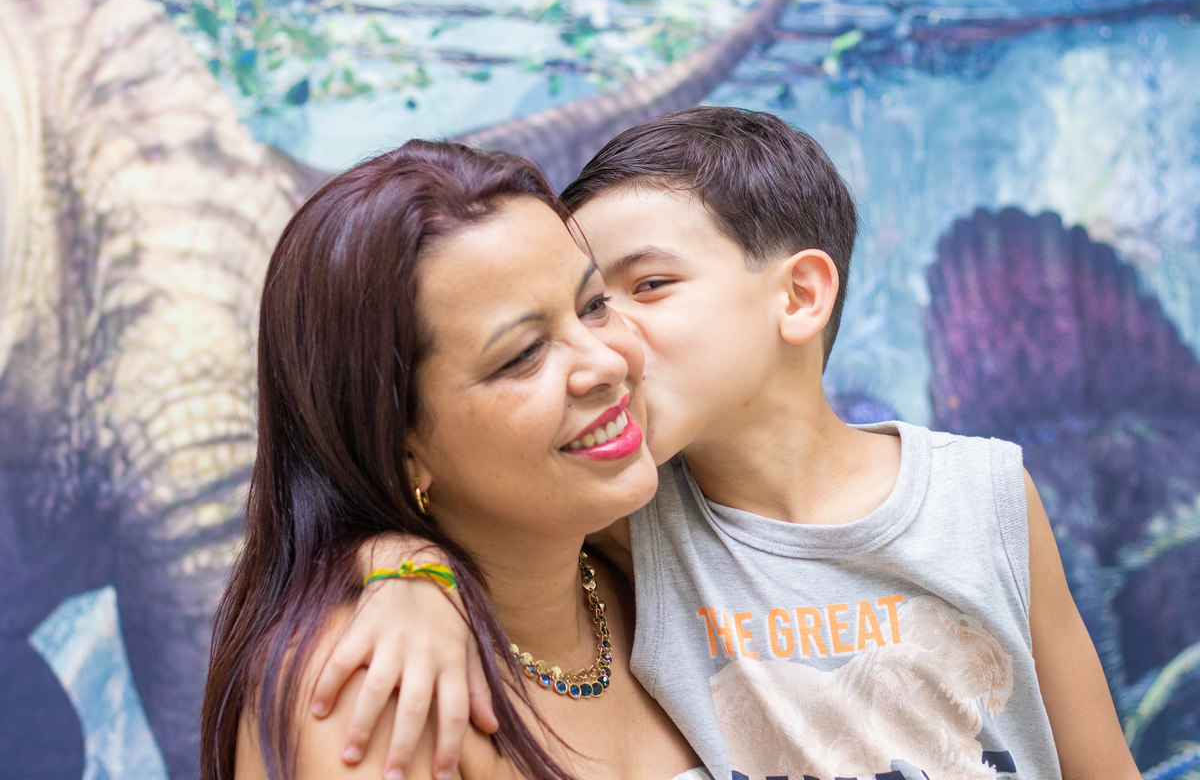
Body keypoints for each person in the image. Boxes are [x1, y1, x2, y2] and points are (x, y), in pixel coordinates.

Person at [316, 107, 1142, 780]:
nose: (608, 342)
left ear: (800, 295)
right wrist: (405, 575)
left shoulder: (986, 495)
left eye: (646, 287)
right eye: (598, 302)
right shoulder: (633, 521)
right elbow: (460, 514)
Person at [198, 139, 707, 780]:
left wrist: (407, 565)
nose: (607, 363)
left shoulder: (656, 562)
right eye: (523, 354)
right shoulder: (374, 693)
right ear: (399, 446)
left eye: (593, 305)